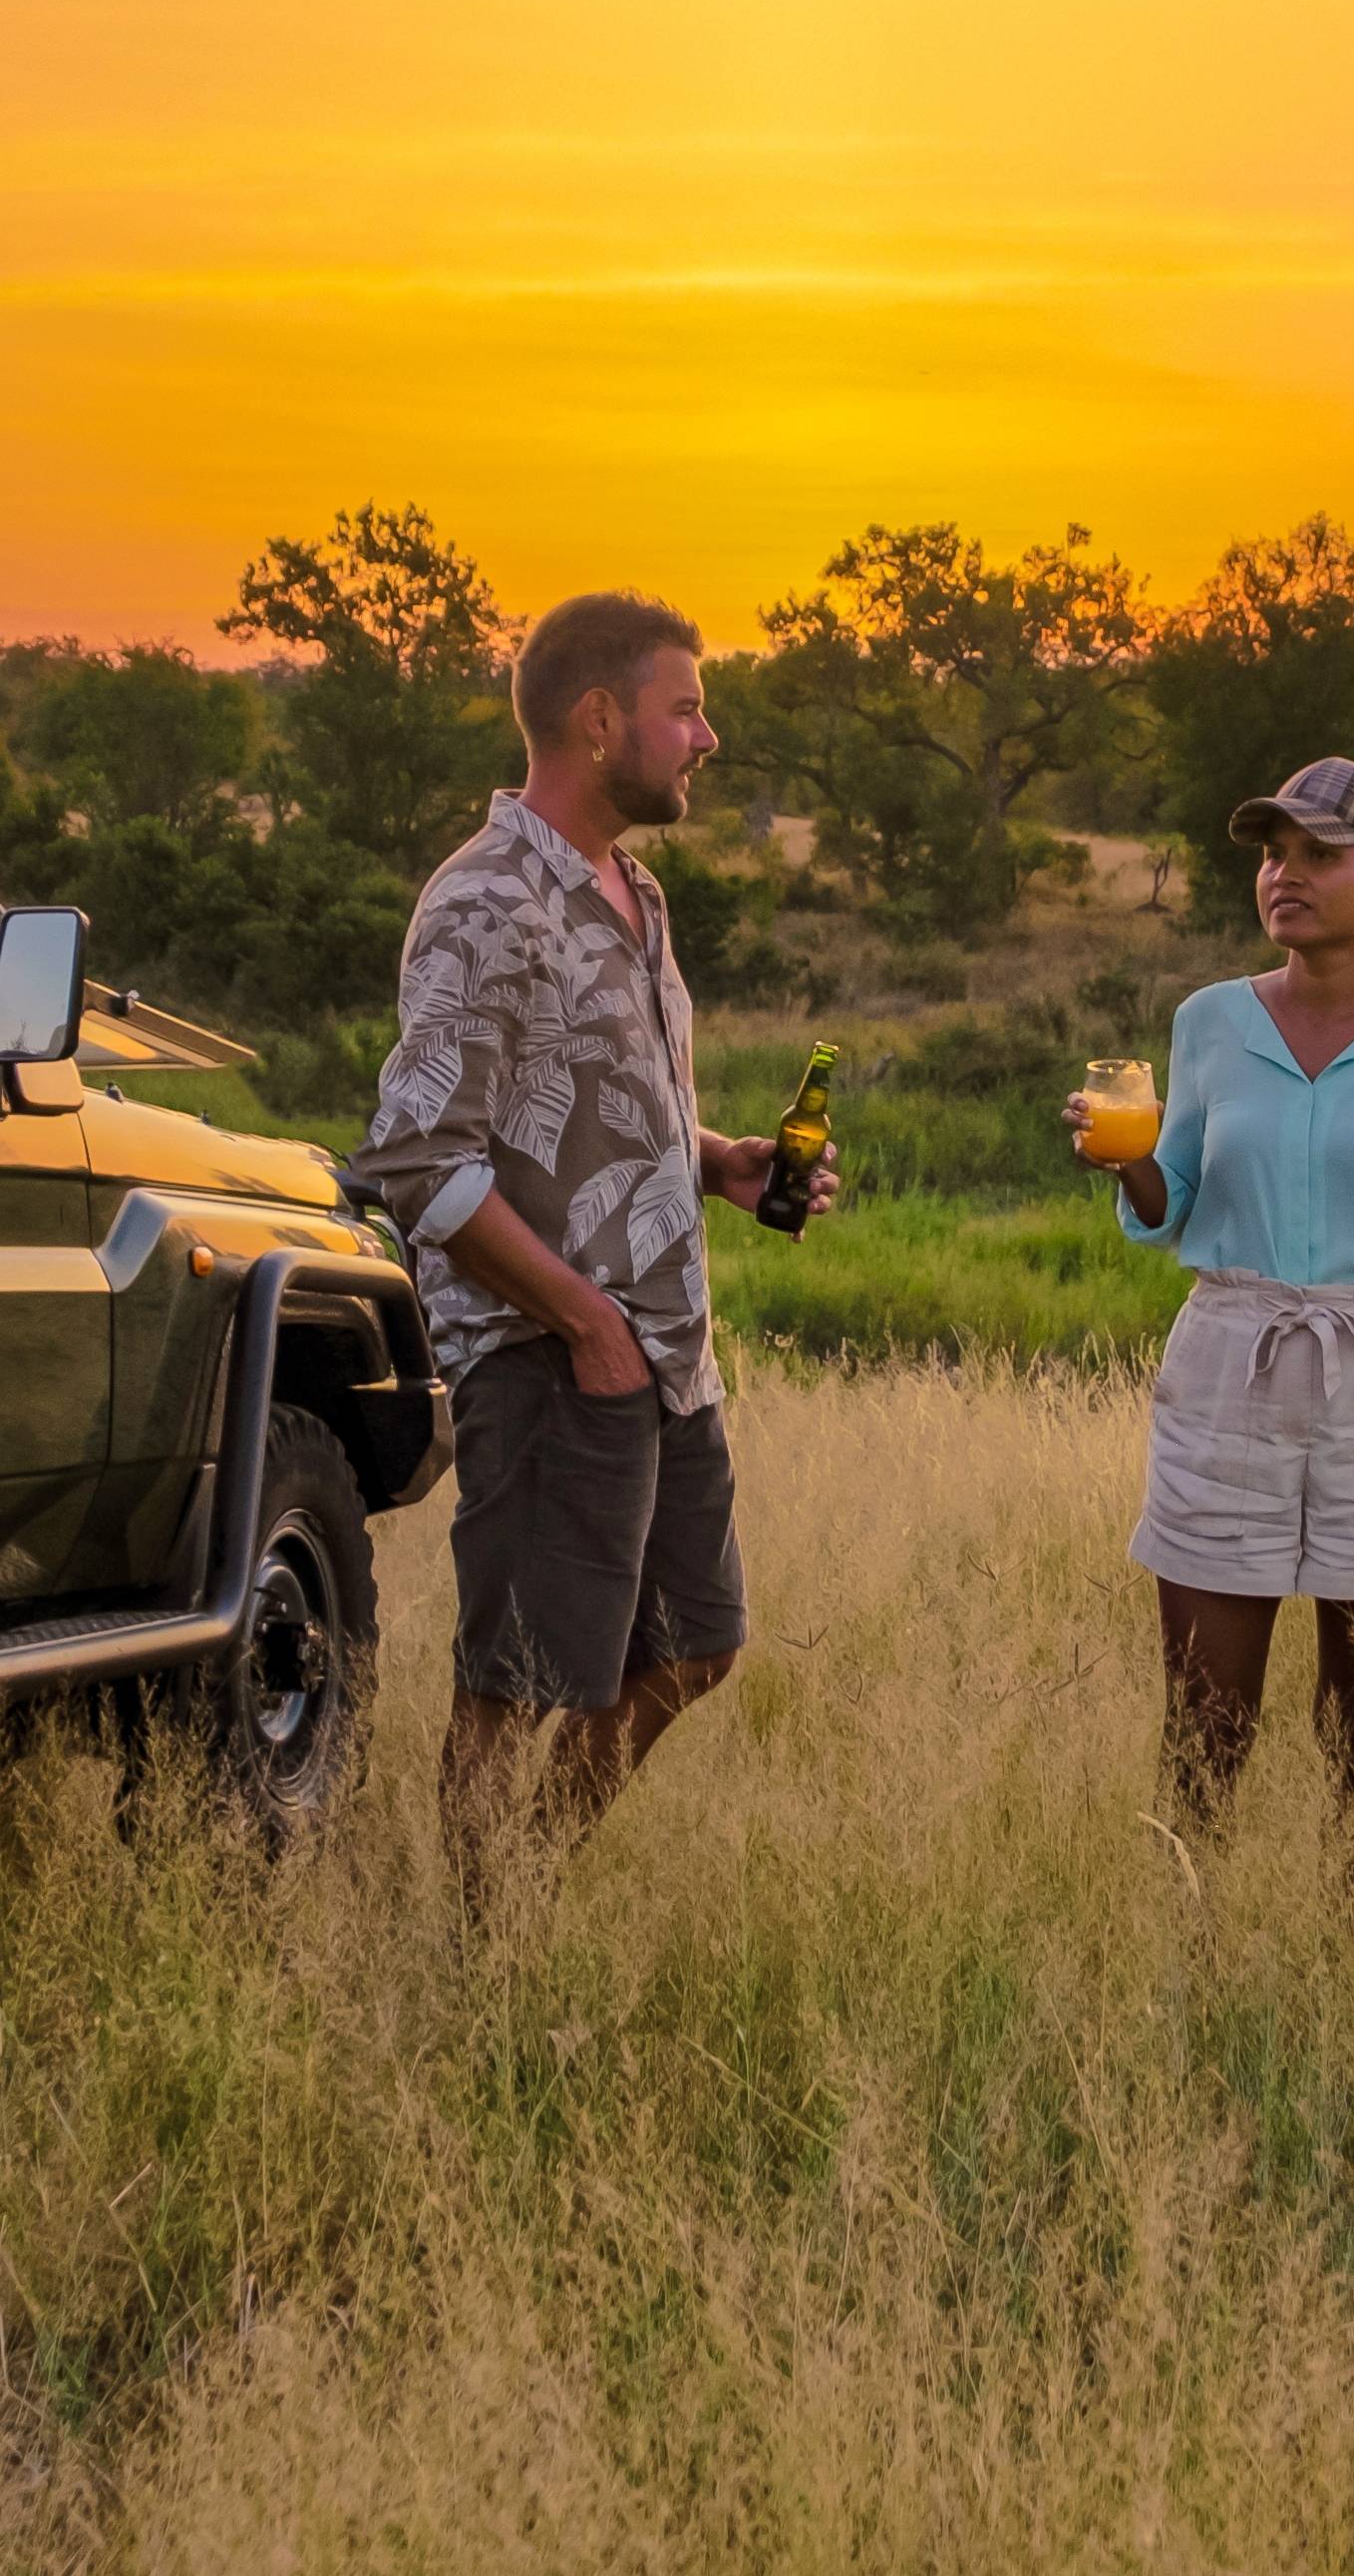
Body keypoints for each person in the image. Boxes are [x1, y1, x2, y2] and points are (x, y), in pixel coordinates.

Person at [362, 590, 834, 1922]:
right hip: (548, 1360)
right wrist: (579, 1319)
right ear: (598, 717)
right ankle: (475, 1941)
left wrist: (719, 1158)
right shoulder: (483, 902)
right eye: (684, 707)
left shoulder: (636, 893)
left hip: (664, 1354)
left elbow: (595, 1106)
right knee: (515, 1683)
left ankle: (512, 1884)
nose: (707, 735)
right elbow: (419, 1159)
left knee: (696, 1644)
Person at [1065, 756, 1354, 1911]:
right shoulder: (1209, 1018)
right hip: (1230, 1363)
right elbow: (1170, 1203)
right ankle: (1186, 1952)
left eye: (1320, 853)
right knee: (1205, 1716)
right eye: (1274, 852)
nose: (1285, 874)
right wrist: (1126, 1161)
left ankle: (1353, 1949)